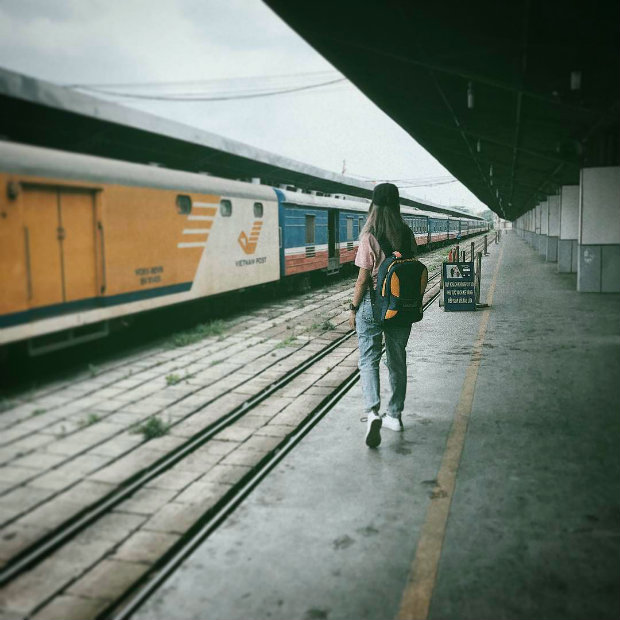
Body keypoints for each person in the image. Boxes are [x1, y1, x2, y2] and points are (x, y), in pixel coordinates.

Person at [348, 183, 428, 448]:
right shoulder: (407, 233)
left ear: (373, 205)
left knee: (368, 359)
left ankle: (372, 412)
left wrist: (353, 308)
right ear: (397, 205)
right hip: (400, 307)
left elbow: (362, 280)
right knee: (397, 360)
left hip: (372, 305)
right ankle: (394, 415)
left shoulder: (369, 236)